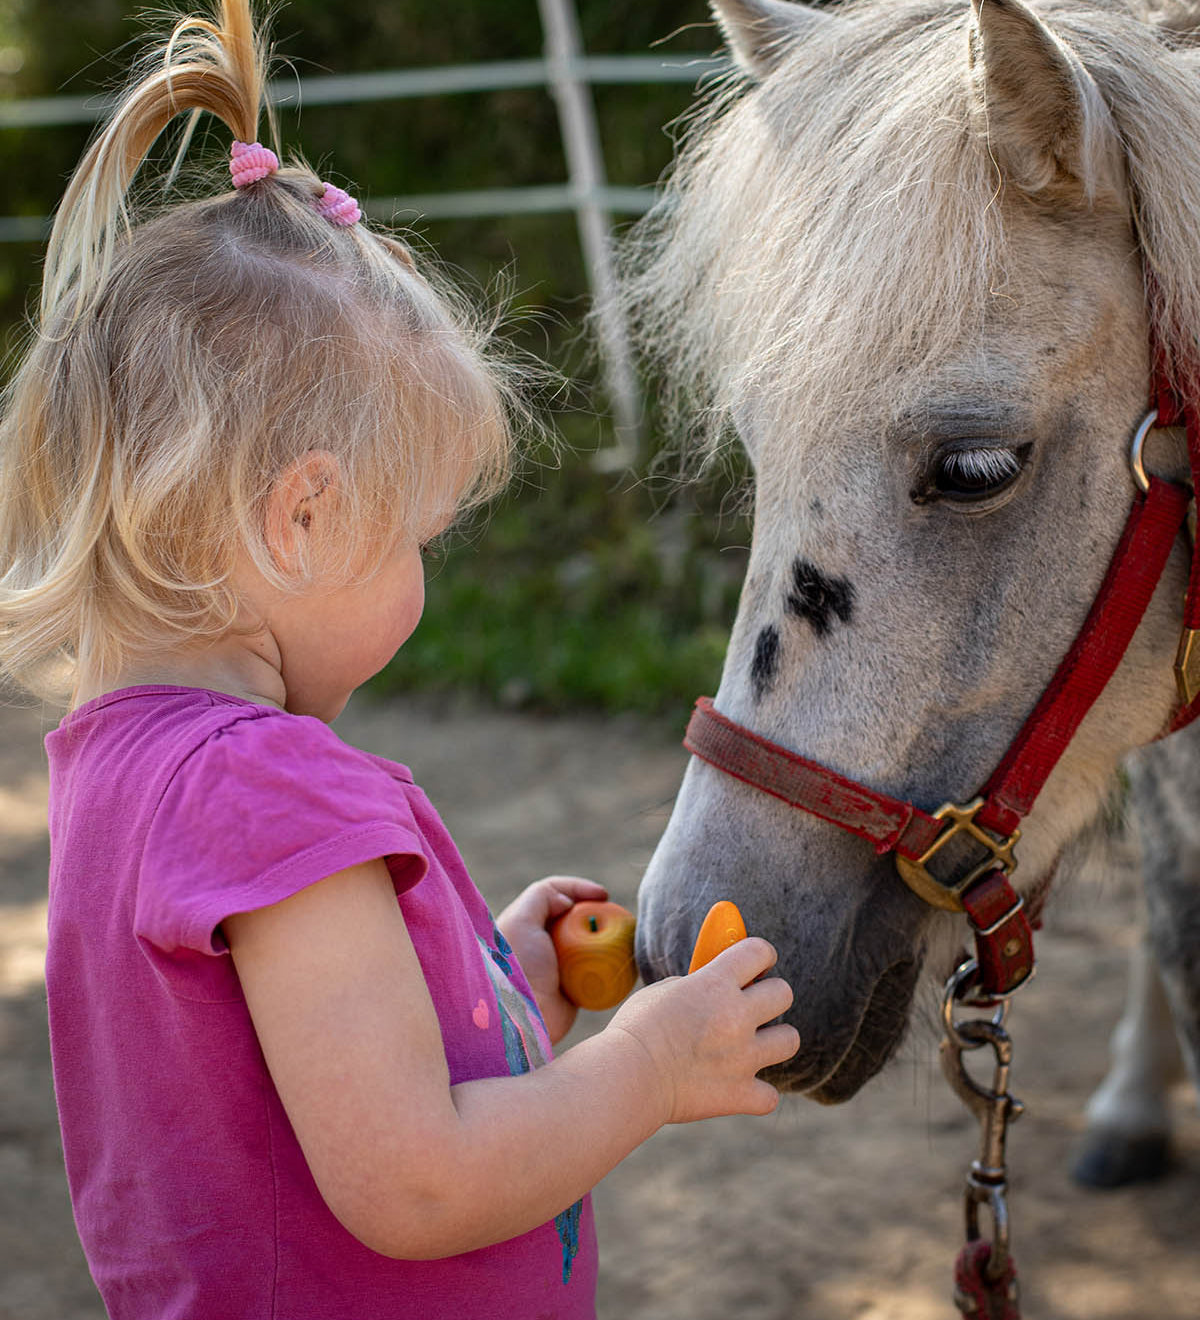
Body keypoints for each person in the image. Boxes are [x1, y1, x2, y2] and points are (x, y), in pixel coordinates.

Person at [0, 2, 801, 1316]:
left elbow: (294, 1079)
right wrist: (646, 1072)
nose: (426, 582)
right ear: (302, 519)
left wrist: (502, 979)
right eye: (420, 537)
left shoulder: (119, 773)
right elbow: (416, 1182)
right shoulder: (272, 791)